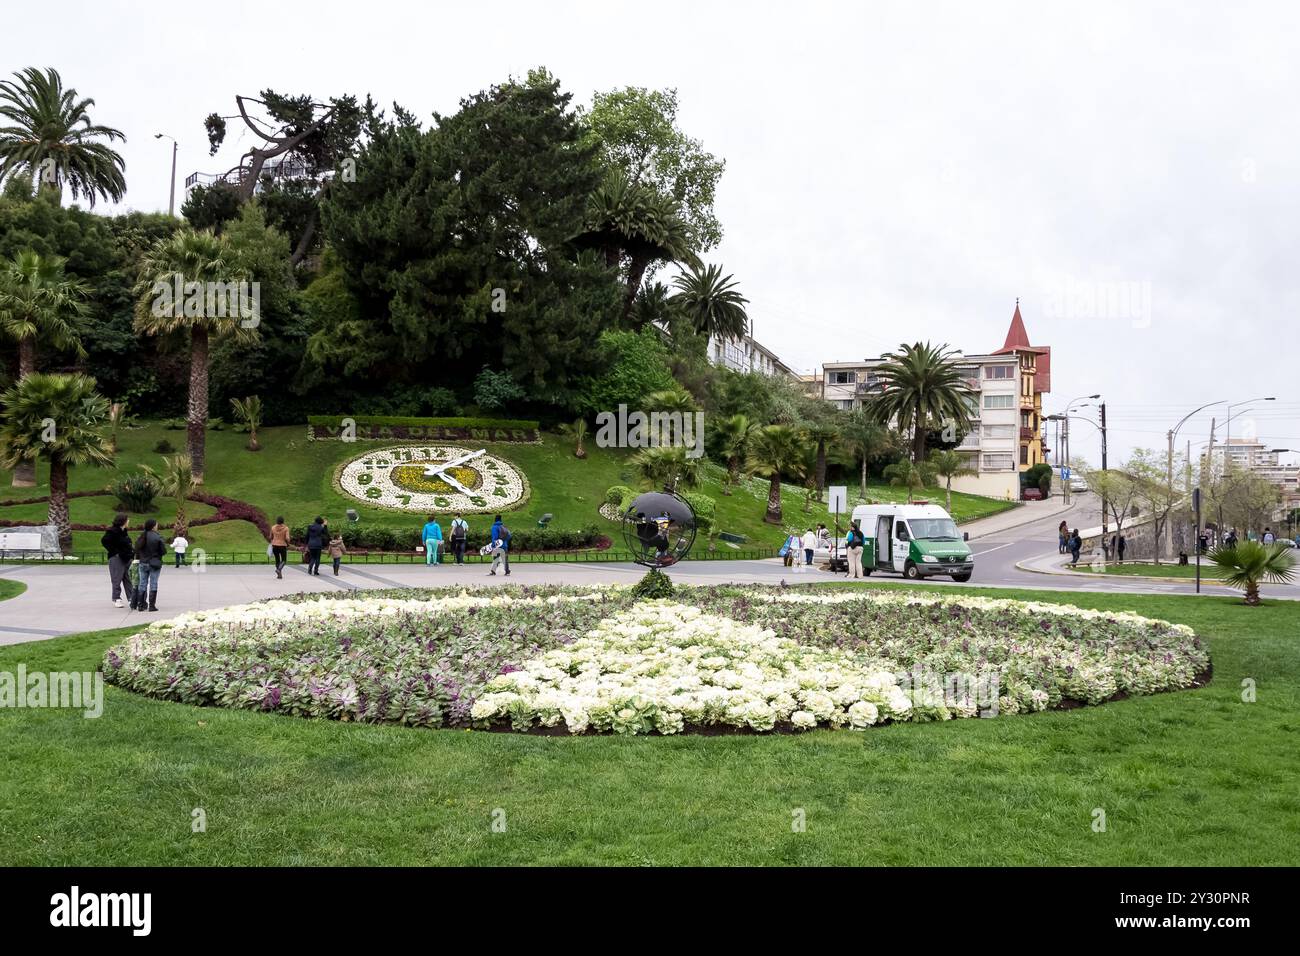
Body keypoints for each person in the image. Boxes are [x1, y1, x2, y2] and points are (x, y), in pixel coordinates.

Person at [101, 513, 135, 609]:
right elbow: (104, 541)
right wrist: (115, 552)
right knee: (117, 578)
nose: (129, 521)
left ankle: (131, 598)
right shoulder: (112, 531)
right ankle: (116, 598)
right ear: (123, 521)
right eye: (127, 520)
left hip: (126, 557)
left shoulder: (124, 531)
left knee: (128, 578)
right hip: (117, 558)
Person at [134, 518, 166, 612]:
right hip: (154, 563)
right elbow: (163, 551)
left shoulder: (142, 535)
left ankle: (140, 605)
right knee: (153, 583)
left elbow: (136, 548)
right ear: (153, 526)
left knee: (142, 583)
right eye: (156, 525)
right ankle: (152, 605)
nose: (157, 526)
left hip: (143, 562)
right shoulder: (157, 537)